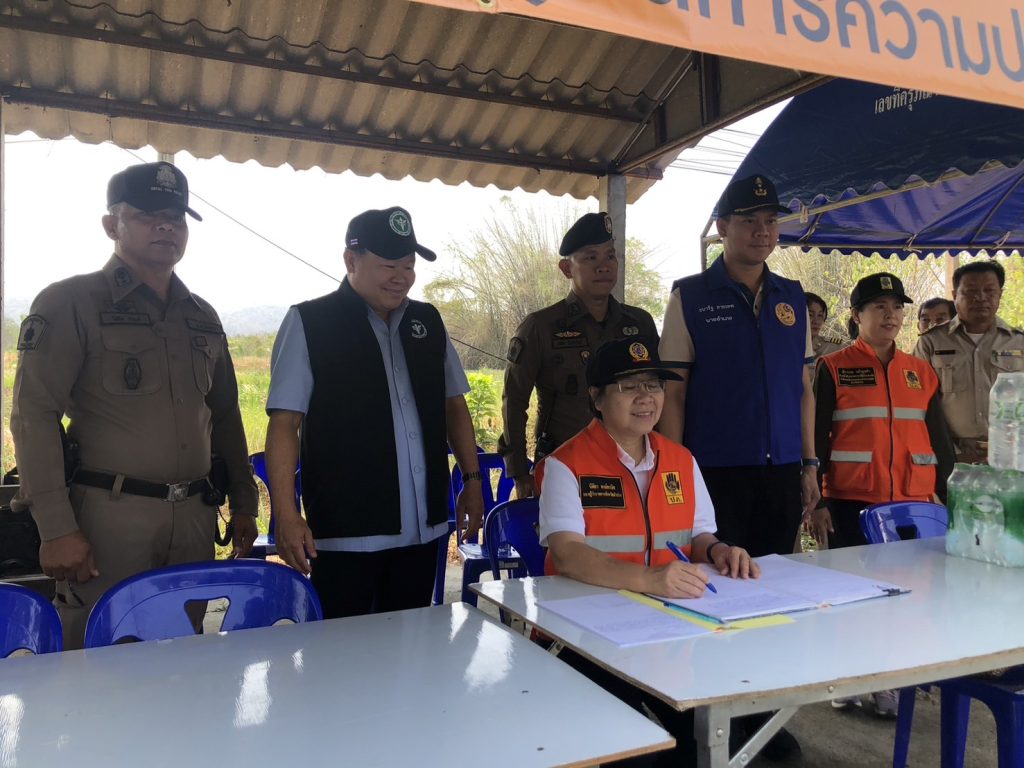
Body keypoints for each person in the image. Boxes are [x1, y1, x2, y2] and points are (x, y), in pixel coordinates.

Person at [10, 161, 259, 649]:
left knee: (188, 651)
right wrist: (56, 529)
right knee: (100, 655)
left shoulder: (202, 317)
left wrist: (244, 504)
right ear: (111, 225)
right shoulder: (71, 302)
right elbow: (33, 414)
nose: (166, 227)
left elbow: (226, 415)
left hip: (195, 518)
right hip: (109, 520)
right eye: (148, 215)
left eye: (176, 217)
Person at [538, 337, 758, 768]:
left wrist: (719, 551)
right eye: (629, 386)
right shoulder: (566, 464)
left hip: (667, 632)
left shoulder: (680, 459)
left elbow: (699, 535)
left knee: (711, 738)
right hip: (588, 639)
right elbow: (567, 555)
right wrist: (650, 579)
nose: (646, 397)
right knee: (631, 753)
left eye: (654, 385)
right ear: (597, 398)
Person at [657, 174, 816, 759]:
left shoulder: (791, 296)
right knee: (711, 597)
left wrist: (809, 464)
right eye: (749, 221)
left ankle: (761, 719)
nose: (762, 231)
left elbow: (803, 389)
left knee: (769, 597)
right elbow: (673, 392)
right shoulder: (691, 296)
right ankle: (707, 721)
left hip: (780, 473)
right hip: (713, 475)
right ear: (723, 227)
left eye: (771, 221)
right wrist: (674, 475)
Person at [264, 206, 484, 619]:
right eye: (389, 266)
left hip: (424, 530)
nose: (401, 277)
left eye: (409, 266)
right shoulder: (311, 322)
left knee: (413, 640)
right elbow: (284, 423)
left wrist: (472, 481)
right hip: (347, 533)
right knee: (342, 648)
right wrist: (287, 514)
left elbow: (454, 405)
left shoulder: (426, 321)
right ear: (351, 260)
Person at [811, 272, 954, 716]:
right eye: (879, 307)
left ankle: (887, 680)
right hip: (850, 500)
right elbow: (817, 437)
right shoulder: (833, 367)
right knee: (849, 595)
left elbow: (938, 438)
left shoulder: (920, 371)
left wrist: (948, 495)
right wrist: (817, 501)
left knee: (901, 596)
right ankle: (847, 677)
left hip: (911, 505)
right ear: (857, 315)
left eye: (896, 308)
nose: (890, 315)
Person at [498, 212, 658, 499]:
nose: (603, 266)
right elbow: (514, 401)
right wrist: (519, 472)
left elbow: (658, 392)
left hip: (632, 467)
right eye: (590, 257)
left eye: (610, 256)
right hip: (563, 466)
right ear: (566, 268)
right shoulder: (541, 327)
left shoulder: (639, 323)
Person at [914, 260, 1024, 464]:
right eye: (971, 291)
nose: (980, 297)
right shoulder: (931, 342)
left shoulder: (1019, 342)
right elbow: (918, 403)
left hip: (1010, 455)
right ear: (955, 295)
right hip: (949, 455)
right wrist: (953, 451)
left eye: (989, 290)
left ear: (1000, 294)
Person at [806, 291, 846, 361]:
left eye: (820, 315)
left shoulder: (835, 348)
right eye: (810, 315)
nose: (816, 321)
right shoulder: (787, 347)